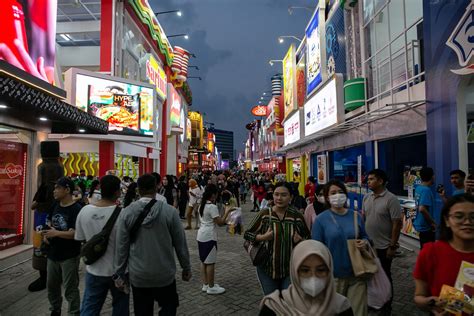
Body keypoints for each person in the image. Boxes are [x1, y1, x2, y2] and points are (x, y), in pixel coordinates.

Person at [114, 174, 192, 316]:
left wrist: (119, 273)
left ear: (138, 189)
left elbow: (121, 247)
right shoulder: (170, 212)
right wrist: (186, 267)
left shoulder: (127, 213)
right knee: (169, 307)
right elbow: (180, 244)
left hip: (139, 275)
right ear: (156, 187)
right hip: (165, 273)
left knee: (142, 310)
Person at [312, 180, 370, 316]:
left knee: (358, 312)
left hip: (357, 274)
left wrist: (365, 242)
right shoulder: (321, 220)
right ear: (327, 197)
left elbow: (366, 237)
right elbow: (316, 249)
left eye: (340, 192)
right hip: (333, 277)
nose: (337, 195)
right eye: (333, 193)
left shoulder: (356, 216)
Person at [75, 175, 129, 315]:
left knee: (90, 308)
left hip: (94, 270)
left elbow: (80, 238)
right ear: (118, 192)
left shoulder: (84, 211)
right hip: (120, 273)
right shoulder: (124, 215)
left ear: (100, 189)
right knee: (120, 308)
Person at [244, 182, 311, 295]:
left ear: (291, 197)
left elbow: (309, 239)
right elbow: (247, 234)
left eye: (284, 195)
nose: (279, 198)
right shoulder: (265, 214)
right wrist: (262, 237)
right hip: (266, 268)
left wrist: (300, 240)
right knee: (272, 301)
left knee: (287, 300)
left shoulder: (297, 216)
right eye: (276, 194)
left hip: (290, 269)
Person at [413, 194, 474, 314]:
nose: (467, 222)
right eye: (459, 216)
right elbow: (419, 296)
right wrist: (431, 303)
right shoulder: (431, 252)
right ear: (447, 220)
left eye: (473, 216)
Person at [259, 240, 353, 316]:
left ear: (329, 271)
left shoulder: (342, 307)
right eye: (305, 270)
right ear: (294, 272)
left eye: (320, 270)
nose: (313, 277)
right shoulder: (275, 307)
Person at [42, 177, 82, 316]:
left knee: (70, 288)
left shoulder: (76, 209)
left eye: (57, 188)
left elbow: (76, 234)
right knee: (52, 286)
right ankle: (55, 309)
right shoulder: (55, 205)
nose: (54, 191)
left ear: (67, 190)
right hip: (53, 254)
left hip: (69, 256)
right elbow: (49, 223)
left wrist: (56, 233)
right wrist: (47, 235)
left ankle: (74, 312)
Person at [363, 169, 402, 312]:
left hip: (384, 246)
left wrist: (392, 246)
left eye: (372, 179)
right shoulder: (366, 197)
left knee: (385, 275)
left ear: (380, 181)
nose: (368, 181)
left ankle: (387, 305)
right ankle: (373, 300)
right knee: (369, 275)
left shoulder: (391, 199)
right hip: (368, 246)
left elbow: (397, 223)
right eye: (368, 179)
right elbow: (364, 218)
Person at [197, 184, 233, 295]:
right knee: (211, 262)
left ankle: (205, 284)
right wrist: (228, 211)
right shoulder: (212, 207)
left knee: (204, 261)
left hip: (201, 235)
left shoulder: (201, 205)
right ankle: (211, 287)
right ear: (213, 195)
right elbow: (220, 223)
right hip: (209, 236)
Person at [414, 167, 437, 248]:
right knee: (428, 252)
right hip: (426, 227)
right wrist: (432, 222)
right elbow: (422, 208)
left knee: (424, 249)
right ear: (432, 177)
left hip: (421, 225)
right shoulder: (426, 190)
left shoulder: (418, 188)